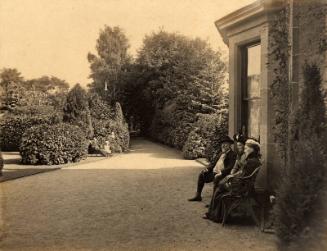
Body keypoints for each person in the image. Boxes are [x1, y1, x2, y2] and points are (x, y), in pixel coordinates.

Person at [203, 138, 262, 222]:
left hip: (241, 188)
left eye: (246, 148)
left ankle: (215, 215)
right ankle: (215, 213)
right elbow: (241, 172)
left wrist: (230, 177)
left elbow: (242, 175)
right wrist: (231, 176)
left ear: (252, 149)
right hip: (243, 185)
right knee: (220, 188)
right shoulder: (253, 160)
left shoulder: (251, 161)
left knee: (219, 188)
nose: (245, 150)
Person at [188, 135, 237, 202]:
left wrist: (221, 172)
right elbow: (213, 163)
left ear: (229, 145)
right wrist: (207, 169)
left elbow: (230, 167)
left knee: (217, 179)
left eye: (225, 144)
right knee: (202, 174)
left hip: (222, 174)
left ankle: (213, 203)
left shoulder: (232, 154)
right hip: (214, 172)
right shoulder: (220, 153)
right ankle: (198, 196)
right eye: (222, 144)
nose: (223, 146)